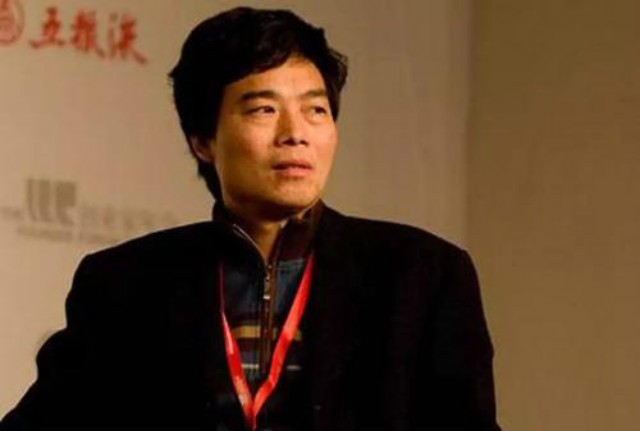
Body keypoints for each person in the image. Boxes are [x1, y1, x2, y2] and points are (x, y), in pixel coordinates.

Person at [0, 7, 501, 431]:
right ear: (203, 140)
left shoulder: (421, 276)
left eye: (316, 110)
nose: (295, 133)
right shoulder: (124, 284)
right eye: (263, 109)